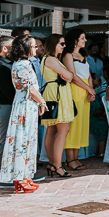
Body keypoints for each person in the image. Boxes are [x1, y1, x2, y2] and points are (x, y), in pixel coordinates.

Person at [0, 36, 46, 194]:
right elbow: (29, 88)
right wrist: (42, 102)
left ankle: (25, 175)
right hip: (25, 105)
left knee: (28, 140)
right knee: (22, 140)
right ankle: (20, 177)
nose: (36, 48)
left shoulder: (22, 63)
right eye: (33, 46)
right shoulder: (23, 64)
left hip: (27, 104)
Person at [40, 34, 77, 177]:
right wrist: (67, 74)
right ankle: (57, 165)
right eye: (61, 43)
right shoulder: (50, 59)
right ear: (53, 44)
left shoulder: (52, 59)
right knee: (63, 129)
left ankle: (52, 163)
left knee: (51, 129)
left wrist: (68, 75)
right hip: (57, 94)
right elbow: (69, 76)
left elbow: (70, 76)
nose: (64, 46)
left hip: (55, 92)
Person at [63, 28, 96, 172]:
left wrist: (91, 90)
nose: (85, 40)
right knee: (73, 124)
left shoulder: (84, 55)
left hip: (85, 91)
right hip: (74, 91)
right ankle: (70, 159)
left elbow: (88, 74)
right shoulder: (68, 55)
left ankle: (76, 157)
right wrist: (89, 89)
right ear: (75, 40)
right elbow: (73, 76)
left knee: (81, 124)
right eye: (83, 38)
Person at [0, 37, 19, 171]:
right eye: (13, 47)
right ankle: (2, 172)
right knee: (5, 141)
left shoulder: (5, 64)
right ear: (5, 49)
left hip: (4, 106)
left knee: (6, 140)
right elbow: (8, 91)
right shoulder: (2, 66)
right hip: (5, 106)